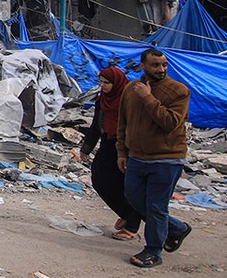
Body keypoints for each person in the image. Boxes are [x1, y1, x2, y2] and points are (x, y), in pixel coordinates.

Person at [117, 48, 192, 268]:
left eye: (164, 65)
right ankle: (176, 228)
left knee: (156, 206)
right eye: (155, 65)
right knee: (133, 197)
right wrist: (122, 151)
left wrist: (148, 98)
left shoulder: (178, 91)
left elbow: (170, 122)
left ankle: (153, 251)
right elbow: (124, 123)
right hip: (137, 157)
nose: (161, 69)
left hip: (166, 159)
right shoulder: (131, 90)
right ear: (143, 66)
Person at [79, 66, 141, 241]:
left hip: (126, 145)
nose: (103, 86)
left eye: (107, 83)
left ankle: (132, 225)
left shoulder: (129, 100)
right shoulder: (103, 100)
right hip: (108, 143)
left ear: (117, 83)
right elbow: (96, 126)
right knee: (99, 179)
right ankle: (127, 214)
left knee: (125, 185)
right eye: (101, 83)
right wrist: (86, 149)